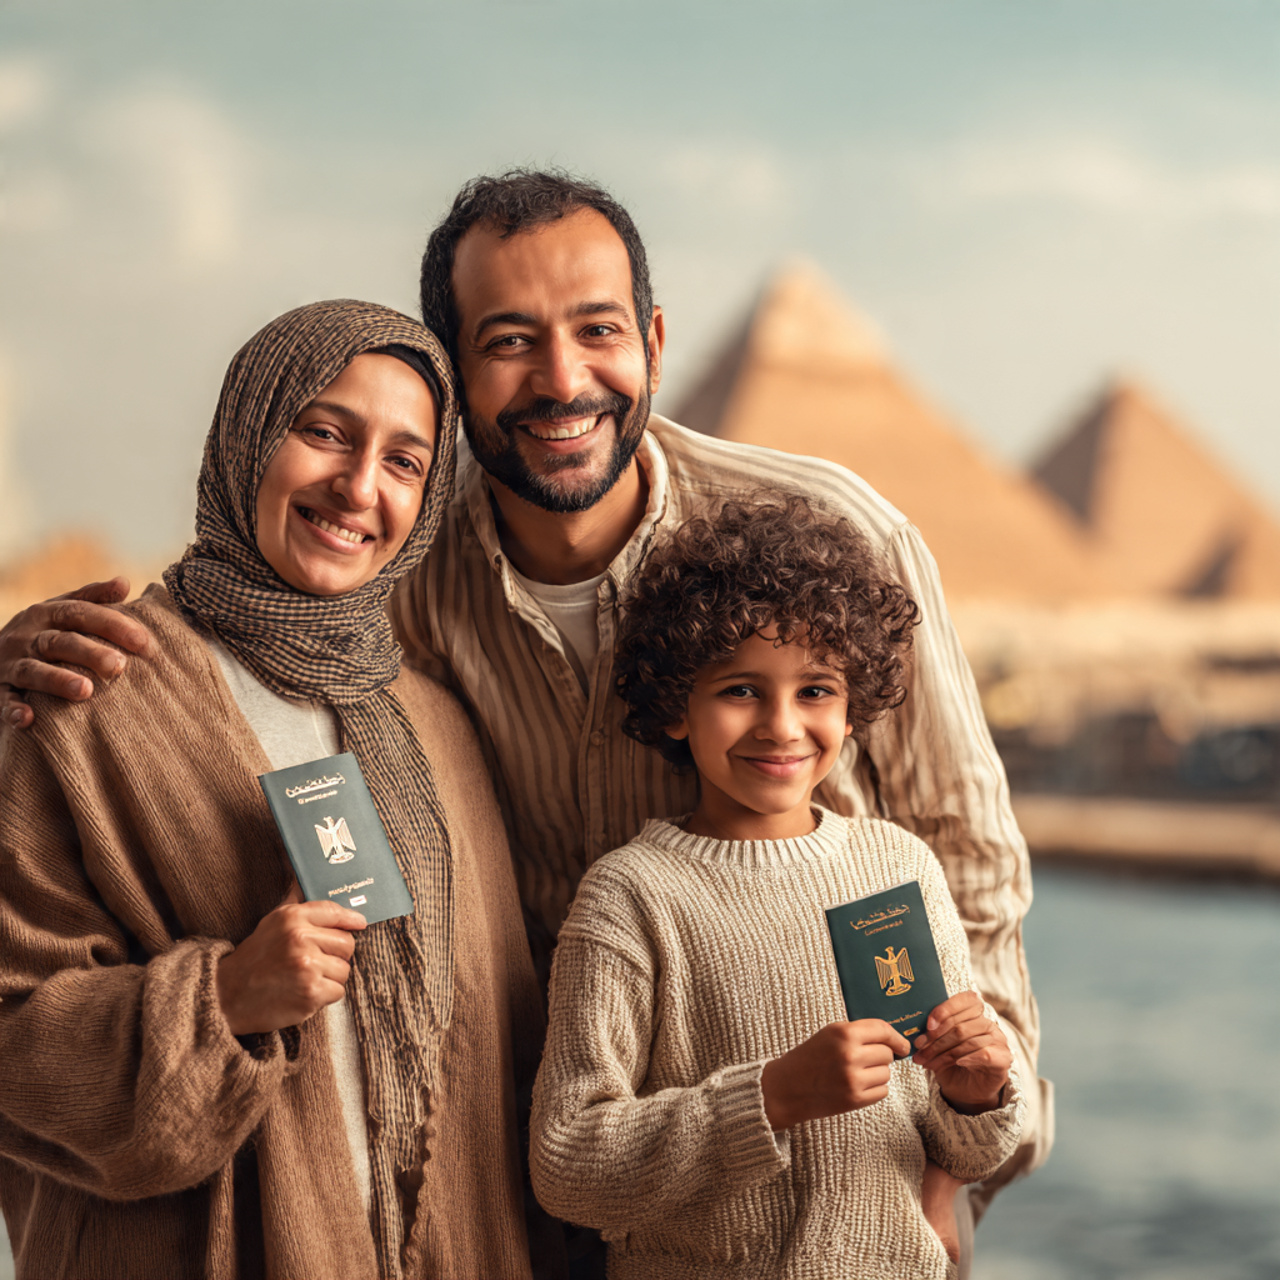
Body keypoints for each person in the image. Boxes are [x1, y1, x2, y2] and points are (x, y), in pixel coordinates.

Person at [0, 169, 1051, 1259]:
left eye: (595, 329)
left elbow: (965, 867)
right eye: (508, 341)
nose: (561, 379)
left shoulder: (830, 535)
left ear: (651, 337)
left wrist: (956, 1166)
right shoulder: (389, 589)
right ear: (456, 374)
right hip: (568, 1196)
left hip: (847, 1206)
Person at [0, 301, 549, 1280]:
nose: (357, 486)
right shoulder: (92, 690)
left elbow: (499, 1063)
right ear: (250, 431)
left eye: (404, 461)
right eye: (325, 431)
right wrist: (223, 997)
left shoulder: (439, 731)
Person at [530, 494, 1024, 1280]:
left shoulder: (901, 870)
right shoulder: (631, 897)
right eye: (740, 690)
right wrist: (769, 1097)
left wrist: (978, 1094)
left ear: (855, 703)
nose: (782, 726)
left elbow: (969, 1145)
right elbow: (569, 1166)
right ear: (674, 707)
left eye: (816, 690)